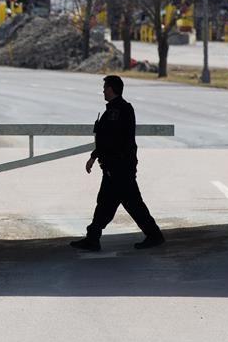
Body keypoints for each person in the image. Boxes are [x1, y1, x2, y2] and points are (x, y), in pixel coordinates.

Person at [70, 75, 164, 252]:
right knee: (108, 203)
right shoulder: (114, 110)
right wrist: (95, 156)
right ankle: (93, 238)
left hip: (119, 167)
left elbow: (113, 140)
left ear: (112, 89)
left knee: (130, 203)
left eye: (105, 88)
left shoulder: (119, 111)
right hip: (114, 167)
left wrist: (101, 158)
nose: (103, 91)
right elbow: (106, 139)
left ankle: (154, 235)